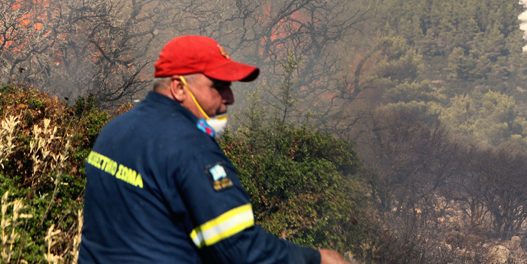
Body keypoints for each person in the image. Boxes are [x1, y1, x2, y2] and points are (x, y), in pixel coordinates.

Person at [78, 35, 351, 264]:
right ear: (178, 88)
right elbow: (239, 248)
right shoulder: (192, 149)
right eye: (218, 87)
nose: (229, 98)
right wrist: (316, 258)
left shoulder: (115, 129)